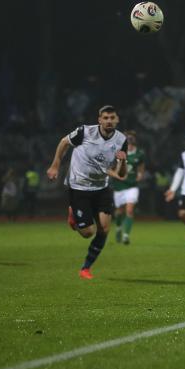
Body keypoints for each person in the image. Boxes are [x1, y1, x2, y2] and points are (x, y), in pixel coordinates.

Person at [46, 105, 127, 279]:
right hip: (79, 187)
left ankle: (86, 268)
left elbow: (119, 172)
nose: (109, 121)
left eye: (112, 117)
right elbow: (64, 142)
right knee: (87, 233)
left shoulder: (121, 140)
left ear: (117, 119)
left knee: (104, 229)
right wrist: (55, 165)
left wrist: (122, 163)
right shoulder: (85, 132)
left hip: (102, 187)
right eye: (105, 118)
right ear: (99, 120)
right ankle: (74, 216)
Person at [112, 131, 146, 245]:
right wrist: (117, 174)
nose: (130, 139)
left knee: (130, 210)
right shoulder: (117, 151)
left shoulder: (140, 153)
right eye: (127, 137)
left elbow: (141, 167)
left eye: (131, 137)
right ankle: (118, 228)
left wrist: (140, 175)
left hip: (132, 185)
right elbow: (110, 167)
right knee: (119, 212)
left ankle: (126, 236)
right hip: (119, 186)